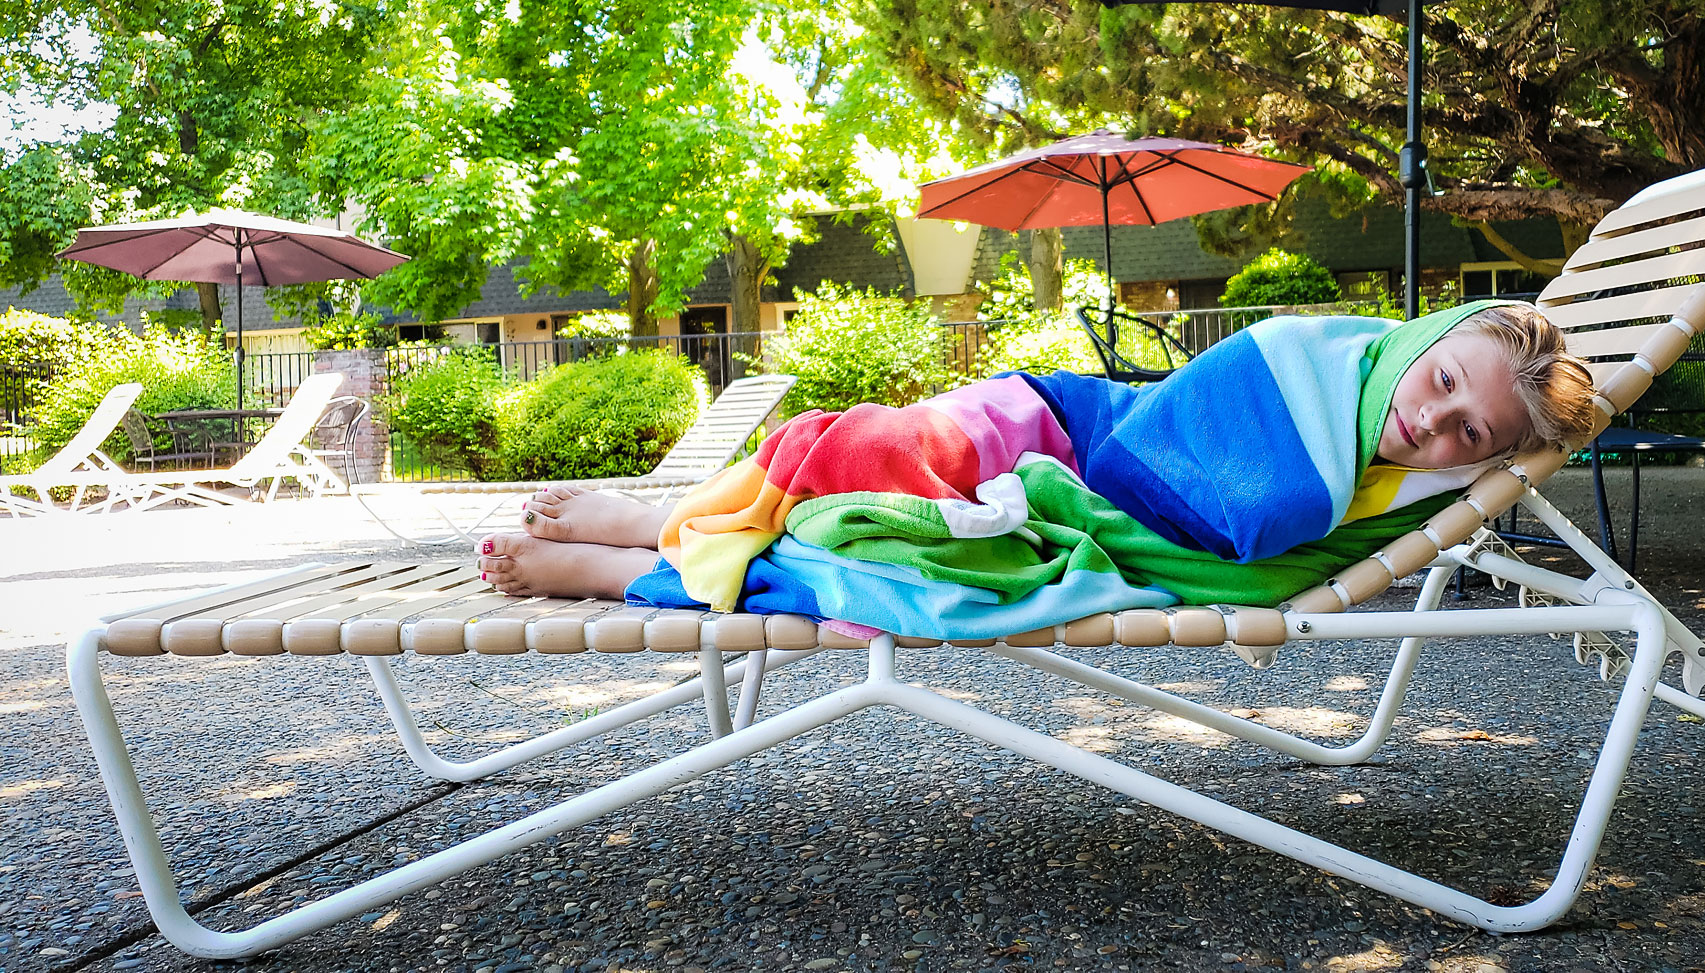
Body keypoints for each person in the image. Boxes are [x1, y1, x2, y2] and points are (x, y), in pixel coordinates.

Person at [477, 301, 1594, 635]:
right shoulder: (1316, 355)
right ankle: (652, 521)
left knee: (867, 536)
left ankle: (612, 561)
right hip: (1061, 431)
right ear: (1423, 345)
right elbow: (1192, 433)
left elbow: (1253, 554)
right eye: (1442, 383)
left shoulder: (1392, 502)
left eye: (1472, 440)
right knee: (870, 448)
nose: (1432, 425)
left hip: (1076, 512)